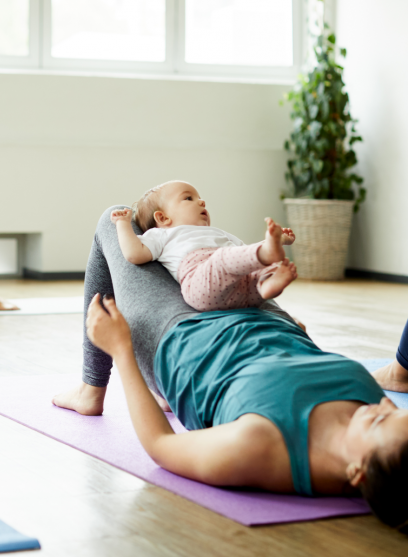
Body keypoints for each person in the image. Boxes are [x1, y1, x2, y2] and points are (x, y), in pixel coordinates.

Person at [53, 206, 408, 530]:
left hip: (178, 334)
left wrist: (121, 349)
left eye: (379, 419)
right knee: (178, 235)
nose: (382, 405)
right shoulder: (374, 411)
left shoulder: (258, 447)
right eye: (394, 409)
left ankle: (91, 390)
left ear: (357, 473)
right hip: (263, 318)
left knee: (115, 221)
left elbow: (162, 446)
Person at [113, 180, 298, 311]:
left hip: (242, 292)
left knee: (251, 266)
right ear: (162, 218)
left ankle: (266, 286)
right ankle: (266, 263)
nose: (202, 202)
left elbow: (245, 255)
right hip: (201, 288)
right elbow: (134, 253)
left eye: (199, 198)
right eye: (188, 198)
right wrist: (123, 224)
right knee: (224, 257)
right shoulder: (162, 234)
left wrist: (277, 240)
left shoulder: (219, 233)